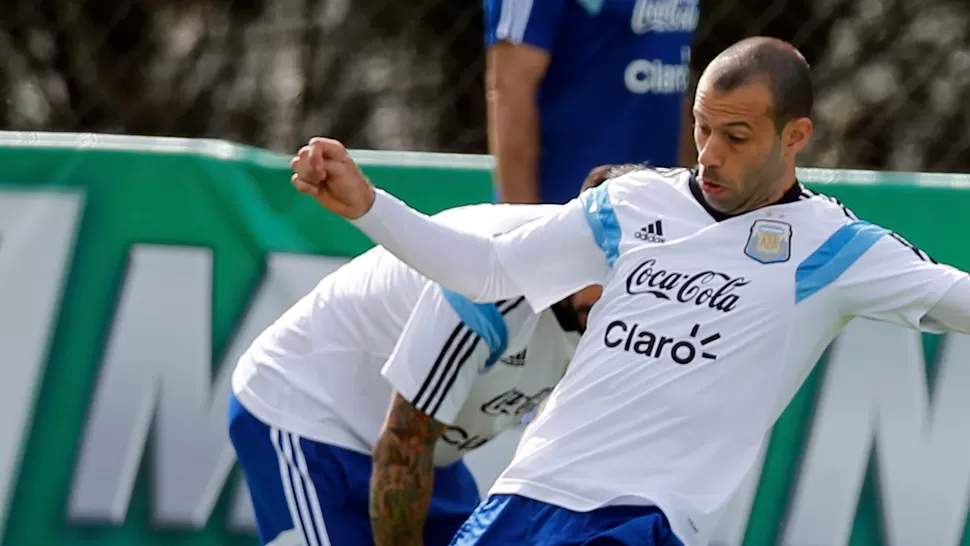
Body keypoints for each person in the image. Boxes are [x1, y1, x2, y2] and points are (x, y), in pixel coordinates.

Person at [289, 36, 970, 546]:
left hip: (642, 518)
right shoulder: (632, 202)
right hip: (526, 497)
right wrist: (368, 205)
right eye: (703, 128)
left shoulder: (833, 246)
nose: (708, 152)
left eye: (736, 136)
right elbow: (489, 270)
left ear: (794, 137)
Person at [226, 165, 627, 546]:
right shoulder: (495, 285)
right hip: (310, 414)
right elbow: (403, 446)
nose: (616, 289)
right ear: (574, 242)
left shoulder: (637, 302)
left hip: (427, 446)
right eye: (605, 265)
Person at [484, 0, 698, 205]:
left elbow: (673, 75)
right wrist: (522, 228)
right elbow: (509, 87)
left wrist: (686, 207)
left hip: (657, 213)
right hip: (568, 211)